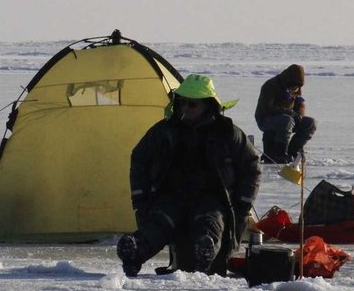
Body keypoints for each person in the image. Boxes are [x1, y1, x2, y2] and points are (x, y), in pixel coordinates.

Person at [117, 74, 261, 277]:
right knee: (160, 223)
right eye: (182, 103)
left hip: (212, 198)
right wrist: (140, 197)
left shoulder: (227, 132)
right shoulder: (164, 131)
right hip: (171, 196)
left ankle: (205, 254)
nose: (186, 108)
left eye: (192, 104)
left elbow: (251, 166)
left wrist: (243, 203)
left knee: (210, 223)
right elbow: (140, 158)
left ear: (208, 105)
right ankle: (134, 252)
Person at [254, 63, 317, 164]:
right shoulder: (270, 85)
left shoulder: (295, 87)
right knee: (286, 120)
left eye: (297, 86)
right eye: (293, 85)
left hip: (288, 119)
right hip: (265, 119)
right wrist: (290, 113)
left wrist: (299, 115)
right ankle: (281, 154)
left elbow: (300, 104)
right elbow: (268, 108)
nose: (294, 88)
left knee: (310, 123)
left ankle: (293, 151)